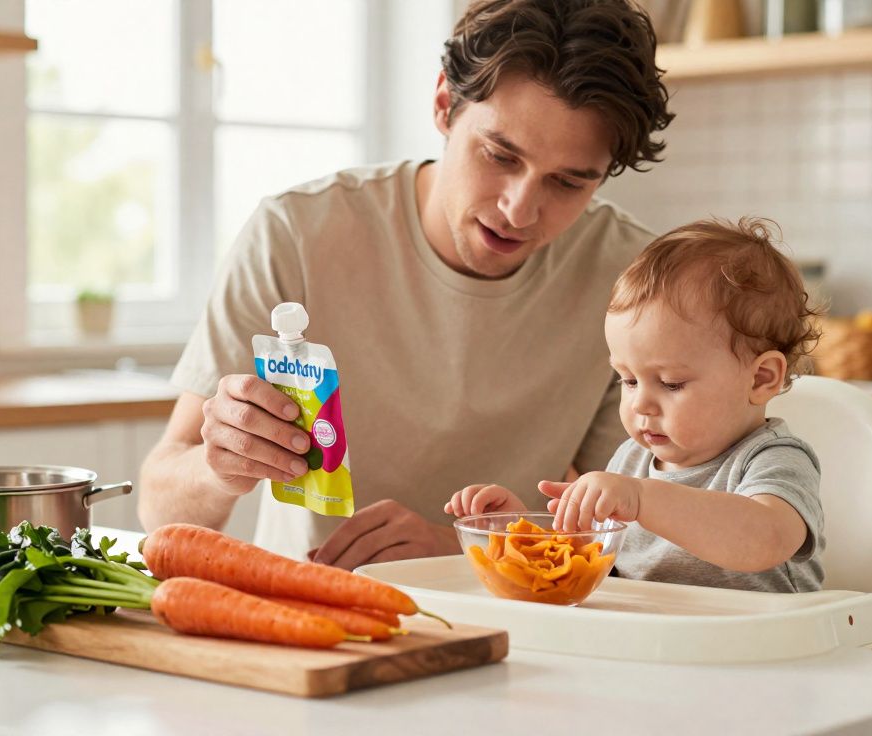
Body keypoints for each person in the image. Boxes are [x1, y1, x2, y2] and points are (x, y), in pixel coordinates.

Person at [138, 0, 674, 568]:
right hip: (307, 605)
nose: (520, 210)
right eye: (499, 155)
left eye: (567, 183)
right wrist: (219, 465)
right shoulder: (295, 234)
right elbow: (160, 509)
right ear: (444, 104)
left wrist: (461, 548)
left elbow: (624, 534)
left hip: (513, 610)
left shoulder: (632, 278)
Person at [445, 218, 826, 593]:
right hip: (648, 642)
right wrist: (517, 535)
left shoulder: (773, 458)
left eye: (671, 383)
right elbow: (587, 560)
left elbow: (764, 539)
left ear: (761, 378)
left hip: (762, 648)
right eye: (627, 379)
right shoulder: (631, 460)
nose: (641, 403)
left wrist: (643, 499)